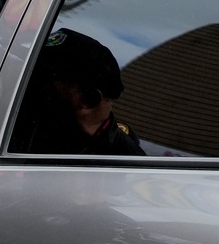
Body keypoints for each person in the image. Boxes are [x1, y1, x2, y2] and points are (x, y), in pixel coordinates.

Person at [10, 28, 139, 156]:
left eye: (44, 76)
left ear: (89, 99)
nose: (29, 79)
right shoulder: (17, 123)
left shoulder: (123, 168)